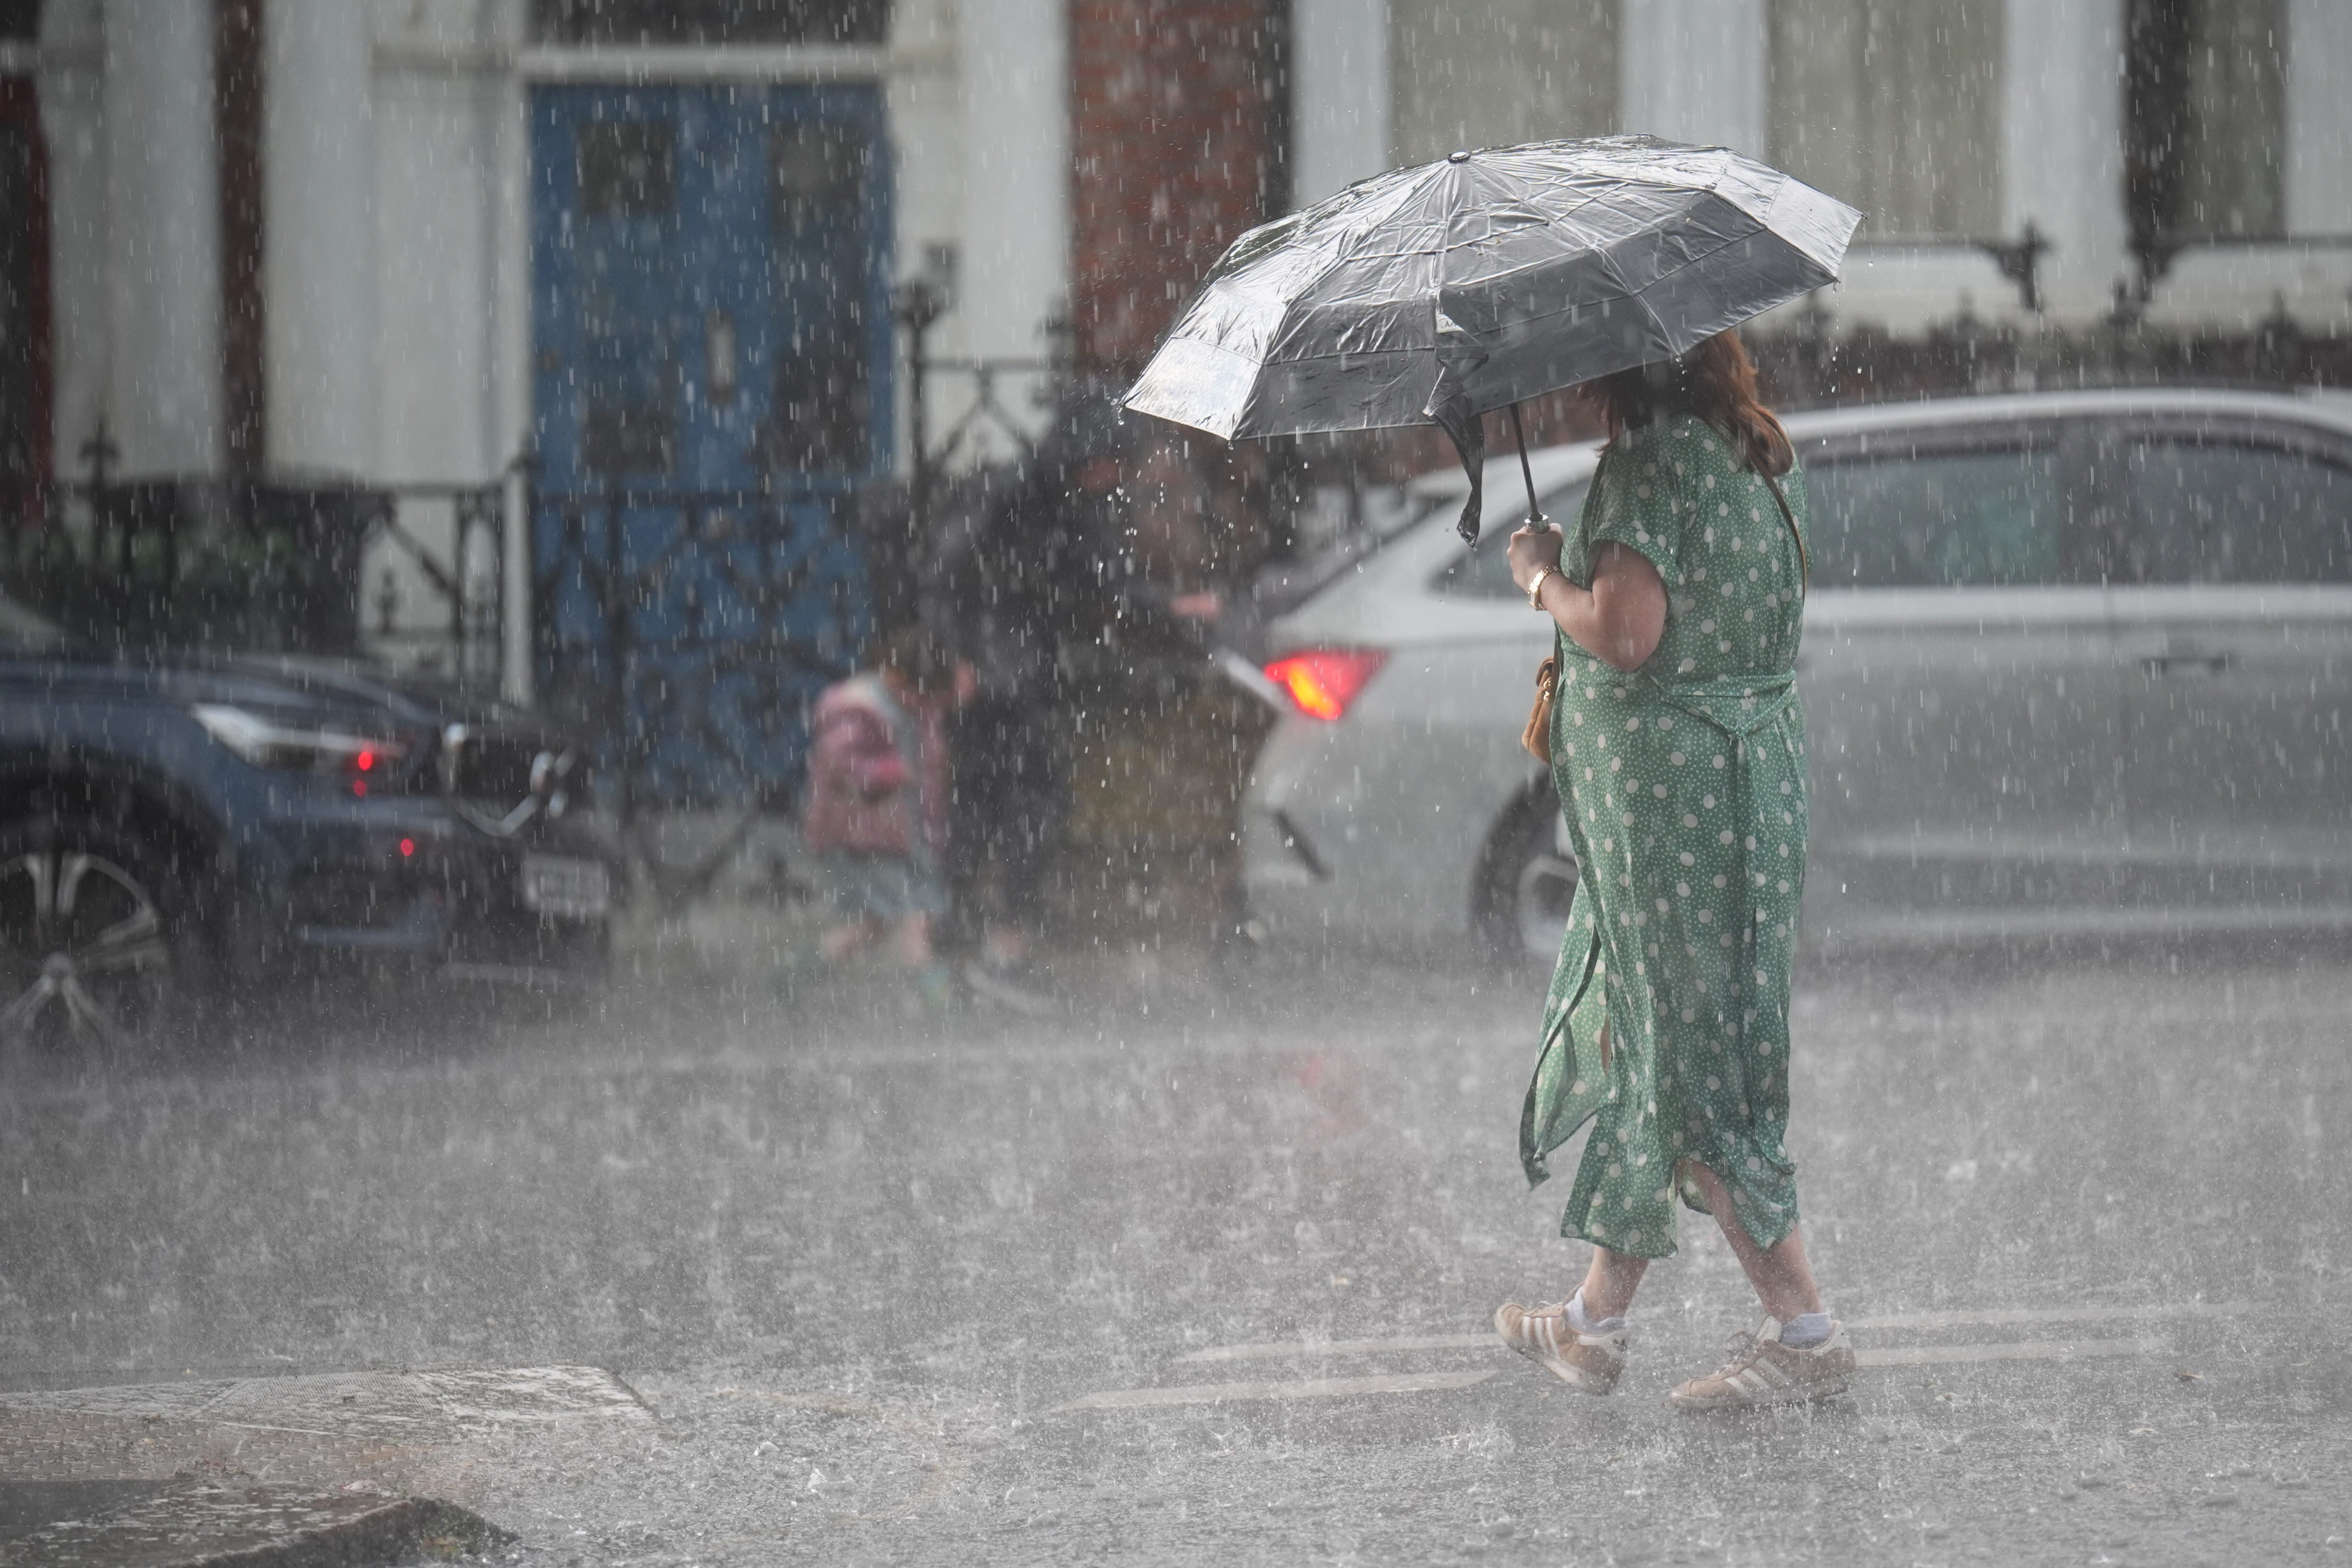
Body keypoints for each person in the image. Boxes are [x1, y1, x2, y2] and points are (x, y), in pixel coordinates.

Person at [1491, 331, 1855, 1410]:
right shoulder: (1754, 454)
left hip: (1680, 806)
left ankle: (1806, 1332)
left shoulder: (1651, 462)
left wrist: (1539, 576)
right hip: (1736, 787)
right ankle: (1594, 1322)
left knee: (1694, 1059)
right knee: (1664, 1034)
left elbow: (1627, 630)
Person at [799, 627, 960, 1005]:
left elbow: (930, 763)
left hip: (906, 832)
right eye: (916, 695)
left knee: (873, 924)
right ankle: (939, 996)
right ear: (898, 678)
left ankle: (799, 972)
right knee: (912, 919)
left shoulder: (915, 705)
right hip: (868, 834)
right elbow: (839, 764)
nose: (920, 705)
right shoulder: (858, 708)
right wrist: (887, 772)